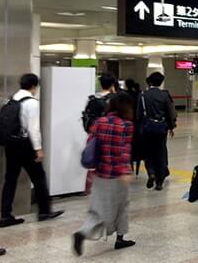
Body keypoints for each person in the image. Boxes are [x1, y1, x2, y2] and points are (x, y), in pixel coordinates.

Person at [73, 92, 136, 256]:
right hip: (117, 175)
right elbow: (123, 151)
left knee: (97, 209)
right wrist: (125, 171)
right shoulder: (126, 125)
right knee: (122, 207)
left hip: (100, 172)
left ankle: (83, 232)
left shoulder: (100, 122)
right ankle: (120, 239)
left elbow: (92, 143)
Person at [0, 74, 64, 228]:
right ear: (34, 86)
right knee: (39, 178)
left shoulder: (12, 99)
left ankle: (5, 216)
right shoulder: (31, 103)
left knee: (10, 180)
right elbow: (33, 129)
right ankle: (44, 212)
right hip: (25, 145)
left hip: (11, 144)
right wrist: (38, 149)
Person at [136, 72, 175, 191]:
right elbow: (170, 112)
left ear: (150, 82)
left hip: (147, 128)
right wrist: (171, 127)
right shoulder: (165, 95)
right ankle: (160, 180)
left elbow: (138, 114)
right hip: (161, 128)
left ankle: (151, 173)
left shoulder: (143, 95)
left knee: (148, 152)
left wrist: (139, 128)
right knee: (160, 152)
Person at [124, 78, 143, 175]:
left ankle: (127, 163)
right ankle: (137, 161)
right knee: (136, 145)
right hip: (136, 124)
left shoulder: (124, 96)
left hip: (126, 122)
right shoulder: (138, 95)